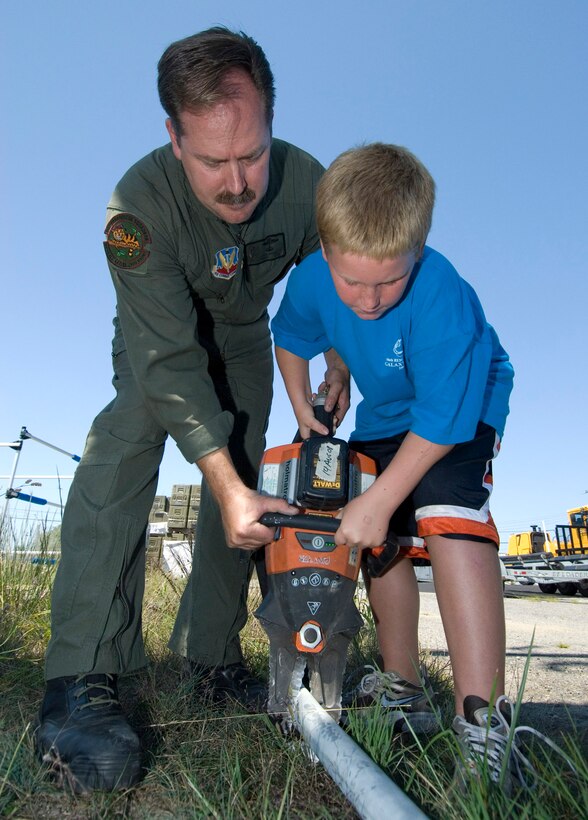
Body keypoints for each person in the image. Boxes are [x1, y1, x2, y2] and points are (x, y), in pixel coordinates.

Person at [35, 27, 349, 792]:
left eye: (253, 154)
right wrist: (218, 472)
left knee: (243, 472)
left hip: (246, 339)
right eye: (214, 161)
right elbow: (171, 362)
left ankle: (210, 659)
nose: (240, 182)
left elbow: (342, 269)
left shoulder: (312, 183)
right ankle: (81, 676)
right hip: (161, 332)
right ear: (174, 139)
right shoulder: (134, 208)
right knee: (130, 435)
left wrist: (338, 360)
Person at [271, 142, 521, 791]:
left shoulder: (442, 293)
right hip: (386, 416)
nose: (372, 299)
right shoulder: (311, 279)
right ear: (325, 252)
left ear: (420, 249)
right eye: (353, 281)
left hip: (461, 403)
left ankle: (485, 726)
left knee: (444, 511)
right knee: (377, 538)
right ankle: (402, 690)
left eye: (390, 279)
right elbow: (292, 336)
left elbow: (443, 421)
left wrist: (381, 499)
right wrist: (306, 402)